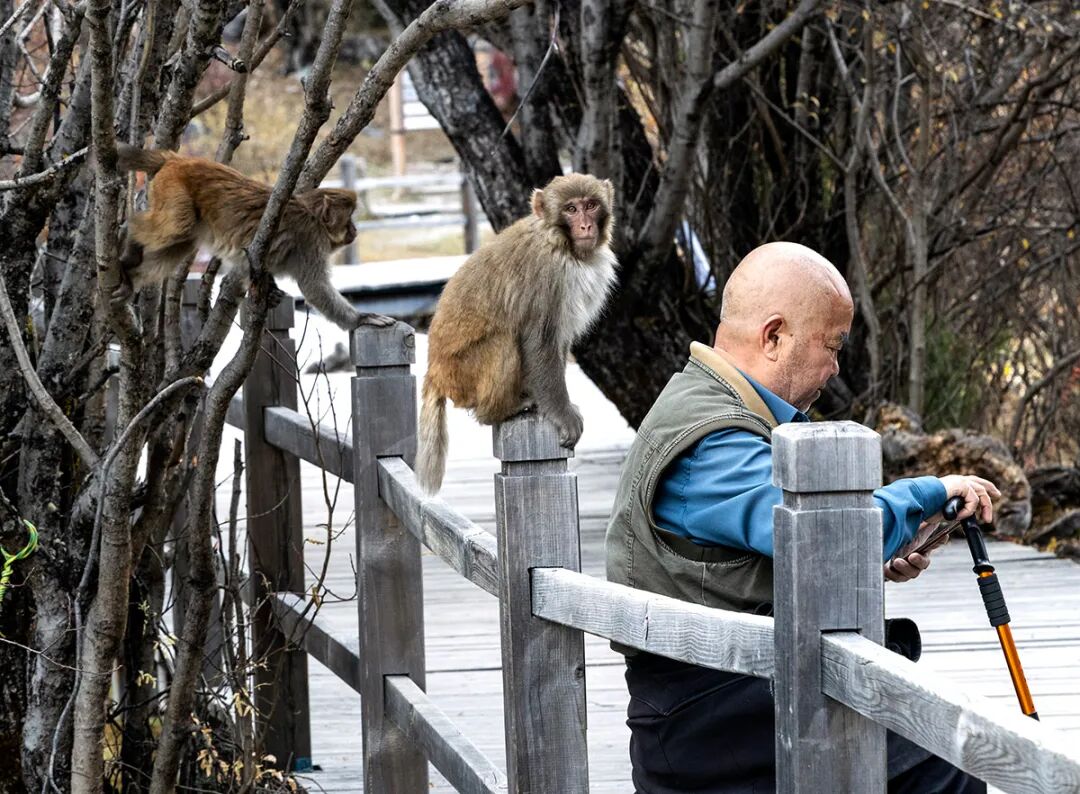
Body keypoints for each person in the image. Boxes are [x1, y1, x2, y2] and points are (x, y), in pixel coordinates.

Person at [605, 242, 998, 794]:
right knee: (943, 761)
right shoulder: (713, 443)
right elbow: (826, 538)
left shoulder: (712, 410)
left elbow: (772, 550)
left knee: (926, 731)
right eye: (831, 346)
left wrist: (875, 558)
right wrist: (931, 491)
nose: (835, 369)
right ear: (773, 336)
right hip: (709, 717)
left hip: (729, 695)